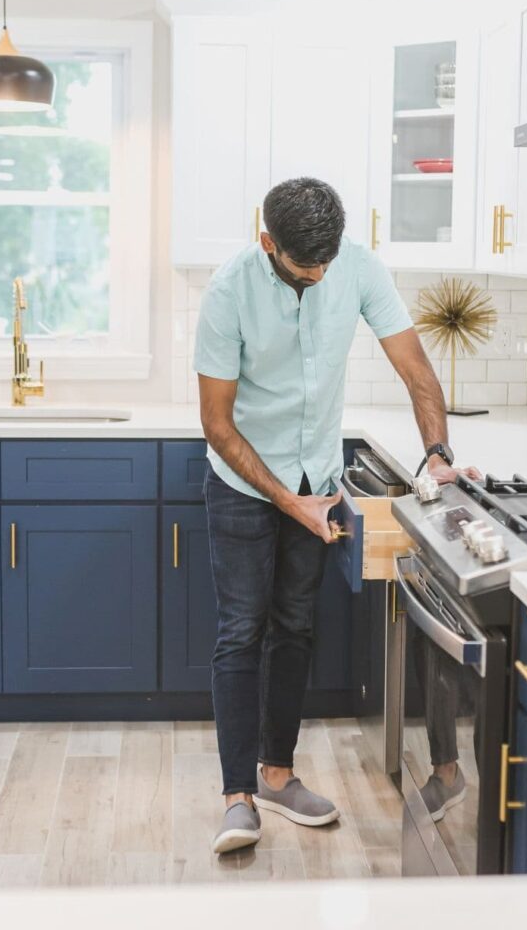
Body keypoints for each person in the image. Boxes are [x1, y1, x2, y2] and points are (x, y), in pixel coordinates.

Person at [194, 177, 480, 855]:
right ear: (269, 244)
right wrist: (285, 500)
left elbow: (415, 371)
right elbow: (216, 423)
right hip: (242, 479)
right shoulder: (228, 290)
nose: (318, 277)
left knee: (294, 627)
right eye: (303, 267)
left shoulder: (356, 266)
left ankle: (278, 776)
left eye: (326, 264)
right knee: (241, 631)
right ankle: (236, 798)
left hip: (314, 475)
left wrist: (437, 453)